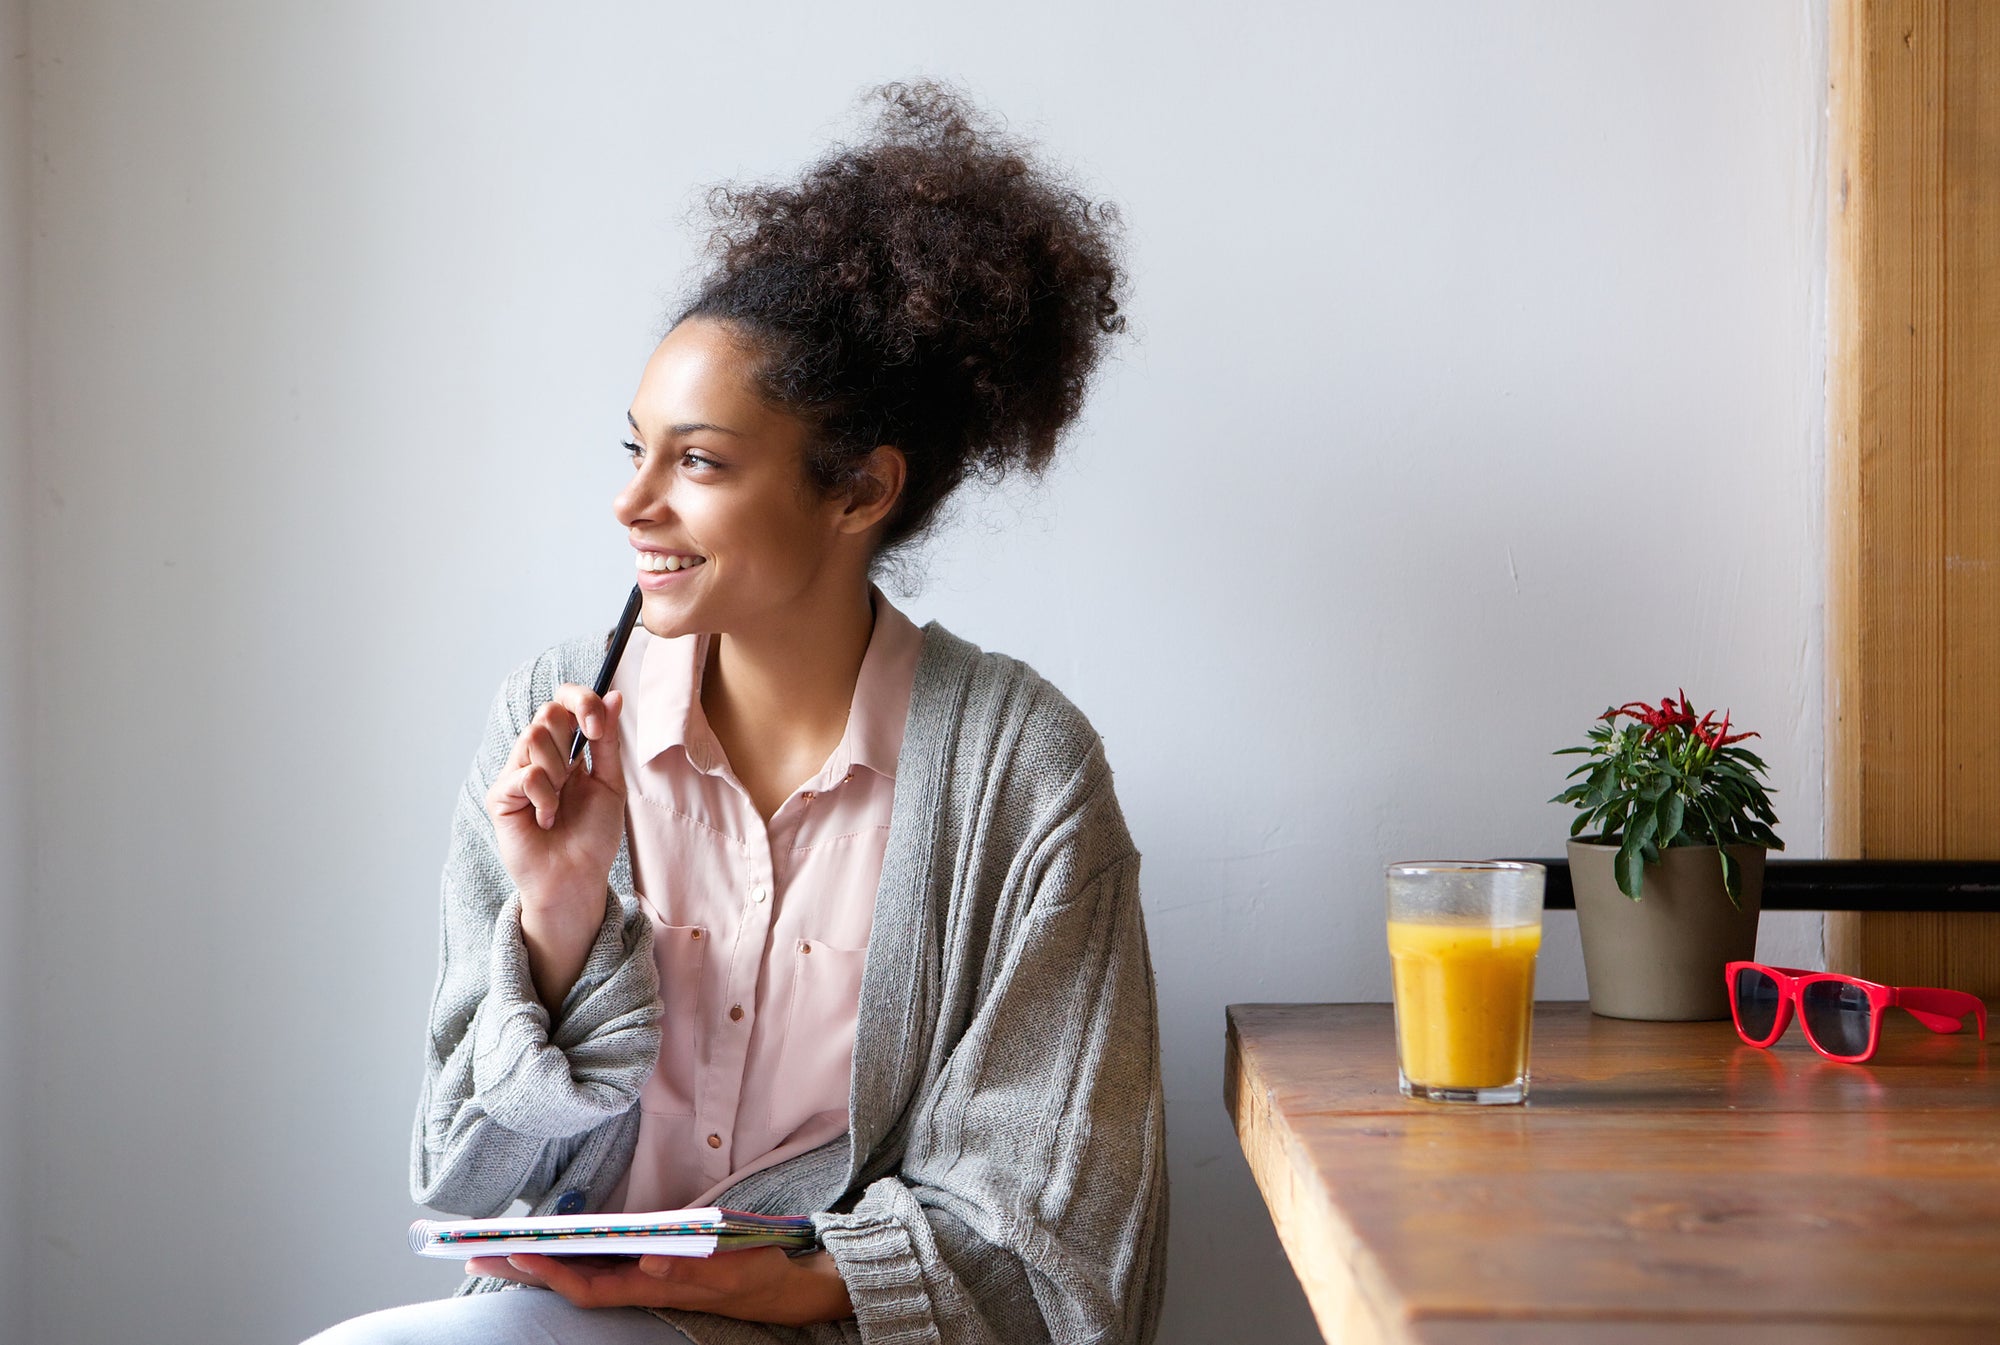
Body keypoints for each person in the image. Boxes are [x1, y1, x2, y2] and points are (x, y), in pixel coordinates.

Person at [307, 82, 1166, 1345]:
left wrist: (798, 1285)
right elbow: (461, 1174)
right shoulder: (551, 728)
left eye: (698, 461)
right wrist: (554, 918)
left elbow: (1056, 1225)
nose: (632, 503)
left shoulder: (1021, 771)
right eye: (633, 450)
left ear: (860, 489)